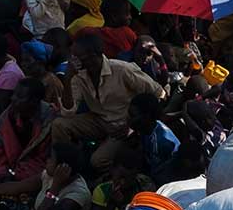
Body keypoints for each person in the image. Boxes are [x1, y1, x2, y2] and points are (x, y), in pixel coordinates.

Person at [54, 31, 165, 171]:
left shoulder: (122, 70)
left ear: (93, 56)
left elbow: (158, 93)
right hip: (98, 120)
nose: (72, 61)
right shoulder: (77, 75)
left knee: (98, 161)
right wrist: (68, 79)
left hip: (124, 126)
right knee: (59, 124)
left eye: (77, 57)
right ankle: (65, 167)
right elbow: (68, 111)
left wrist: (133, 126)